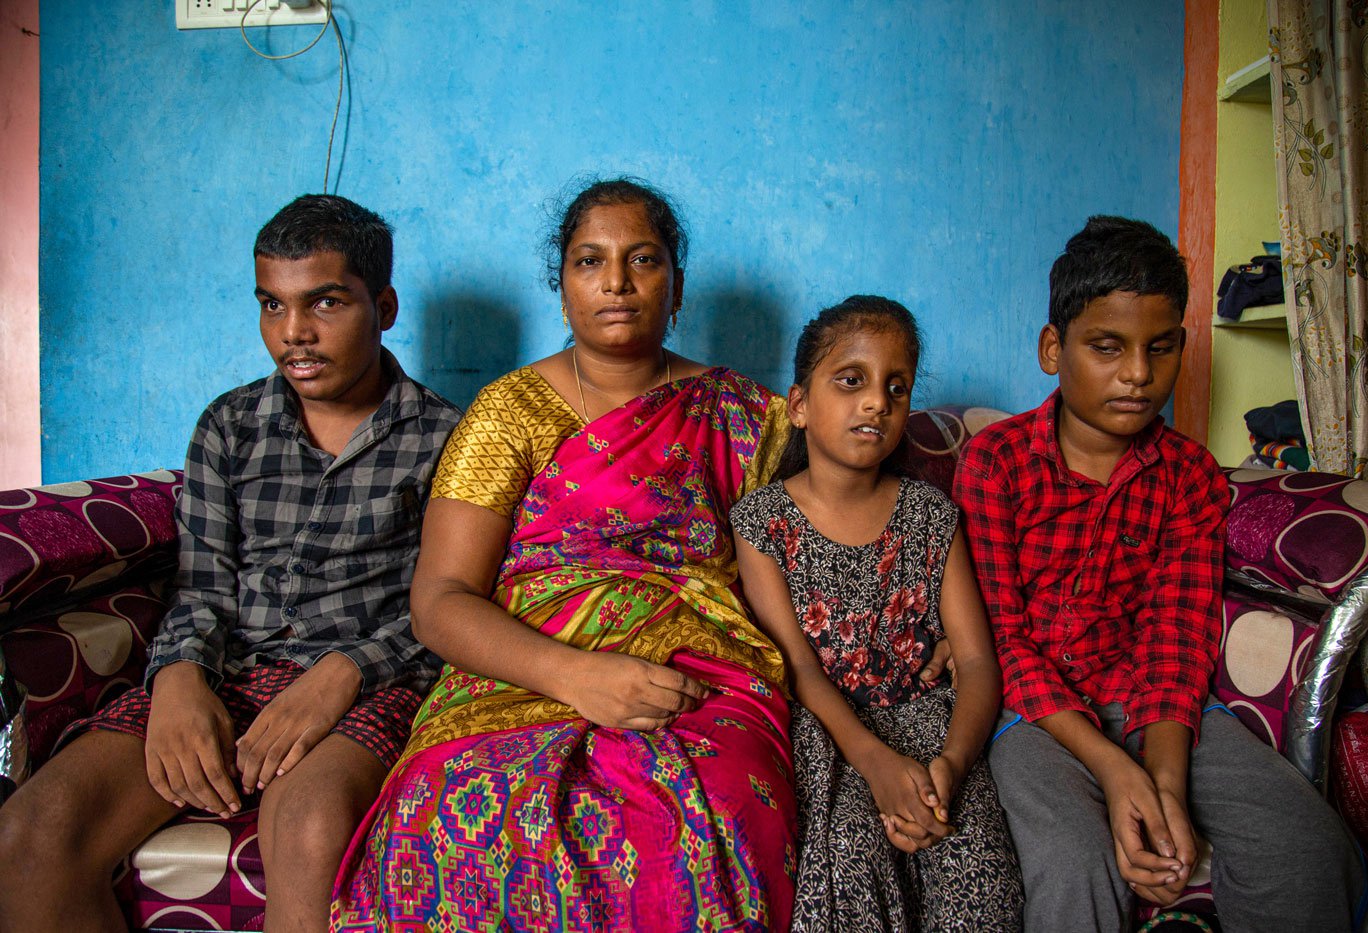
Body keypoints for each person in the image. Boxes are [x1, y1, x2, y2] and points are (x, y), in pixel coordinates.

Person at [330, 178, 798, 931]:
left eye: (642, 259)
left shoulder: (745, 415)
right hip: (521, 669)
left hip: (694, 675)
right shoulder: (509, 411)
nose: (616, 282)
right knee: (448, 809)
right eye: (590, 261)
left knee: (719, 804)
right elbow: (441, 599)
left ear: (676, 287)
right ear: (563, 288)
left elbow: (808, 559)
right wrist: (578, 676)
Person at [0, 194, 461, 932]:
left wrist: (340, 677)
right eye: (271, 306)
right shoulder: (229, 425)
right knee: (32, 833)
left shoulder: (447, 438)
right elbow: (202, 585)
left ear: (385, 305)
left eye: (326, 303)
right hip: (229, 671)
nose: (294, 334)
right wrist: (180, 676)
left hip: (368, 684)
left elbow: (448, 604)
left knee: (309, 829)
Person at [952, 215, 1364, 932]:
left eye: (1161, 347)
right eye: (1107, 347)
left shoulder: (1190, 476)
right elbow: (1001, 641)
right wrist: (1117, 774)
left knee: (1306, 846)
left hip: (1160, 707)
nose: (1139, 374)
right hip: (1031, 715)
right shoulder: (996, 462)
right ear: (1054, 348)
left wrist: (1164, 781)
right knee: (1075, 858)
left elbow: (1176, 634)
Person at [730, 295, 1023, 931]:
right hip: (828, 735)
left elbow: (975, 660)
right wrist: (878, 765)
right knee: (848, 866)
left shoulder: (929, 515)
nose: (876, 402)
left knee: (979, 882)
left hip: (932, 729)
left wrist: (951, 763)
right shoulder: (762, 524)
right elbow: (801, 672)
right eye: (852, 381)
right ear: (800, 405)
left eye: (897, 387)